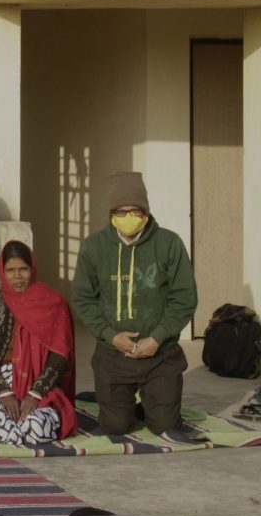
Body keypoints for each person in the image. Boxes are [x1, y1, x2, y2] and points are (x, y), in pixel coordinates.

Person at [72, 172, 196, 436]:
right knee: (115, 426)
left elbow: (184, 297)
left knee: (165, 427)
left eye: (136, 211)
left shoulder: (169, 243)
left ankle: (153, 404)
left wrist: (157, 338)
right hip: (113, 355)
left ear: (146, 212)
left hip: (160, 356)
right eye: (121, 211)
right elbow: (83, 298)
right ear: (111, 213)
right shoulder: (95, 247)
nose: (129, 217)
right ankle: (123, 405)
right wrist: (110, 335)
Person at [0, 241, 76, 445]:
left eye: (23, 269)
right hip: (1, 379)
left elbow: (60, 356)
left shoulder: (53, 303)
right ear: (2, 271)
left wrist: (36, 393)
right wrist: (4, 392)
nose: (17, 276)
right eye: (10, 270)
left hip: (40, 380)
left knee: (37, 428)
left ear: (32, 269)